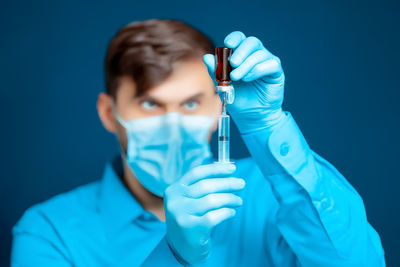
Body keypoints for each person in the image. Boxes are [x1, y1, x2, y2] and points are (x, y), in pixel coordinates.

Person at [11, 19, 385, 266]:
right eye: (150, 103)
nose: (173, 125)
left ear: (219, 102)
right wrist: (175, 253)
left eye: (191, 103)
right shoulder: (50, 231)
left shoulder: (271, 194)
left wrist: (266, 125)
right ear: (109, 113)